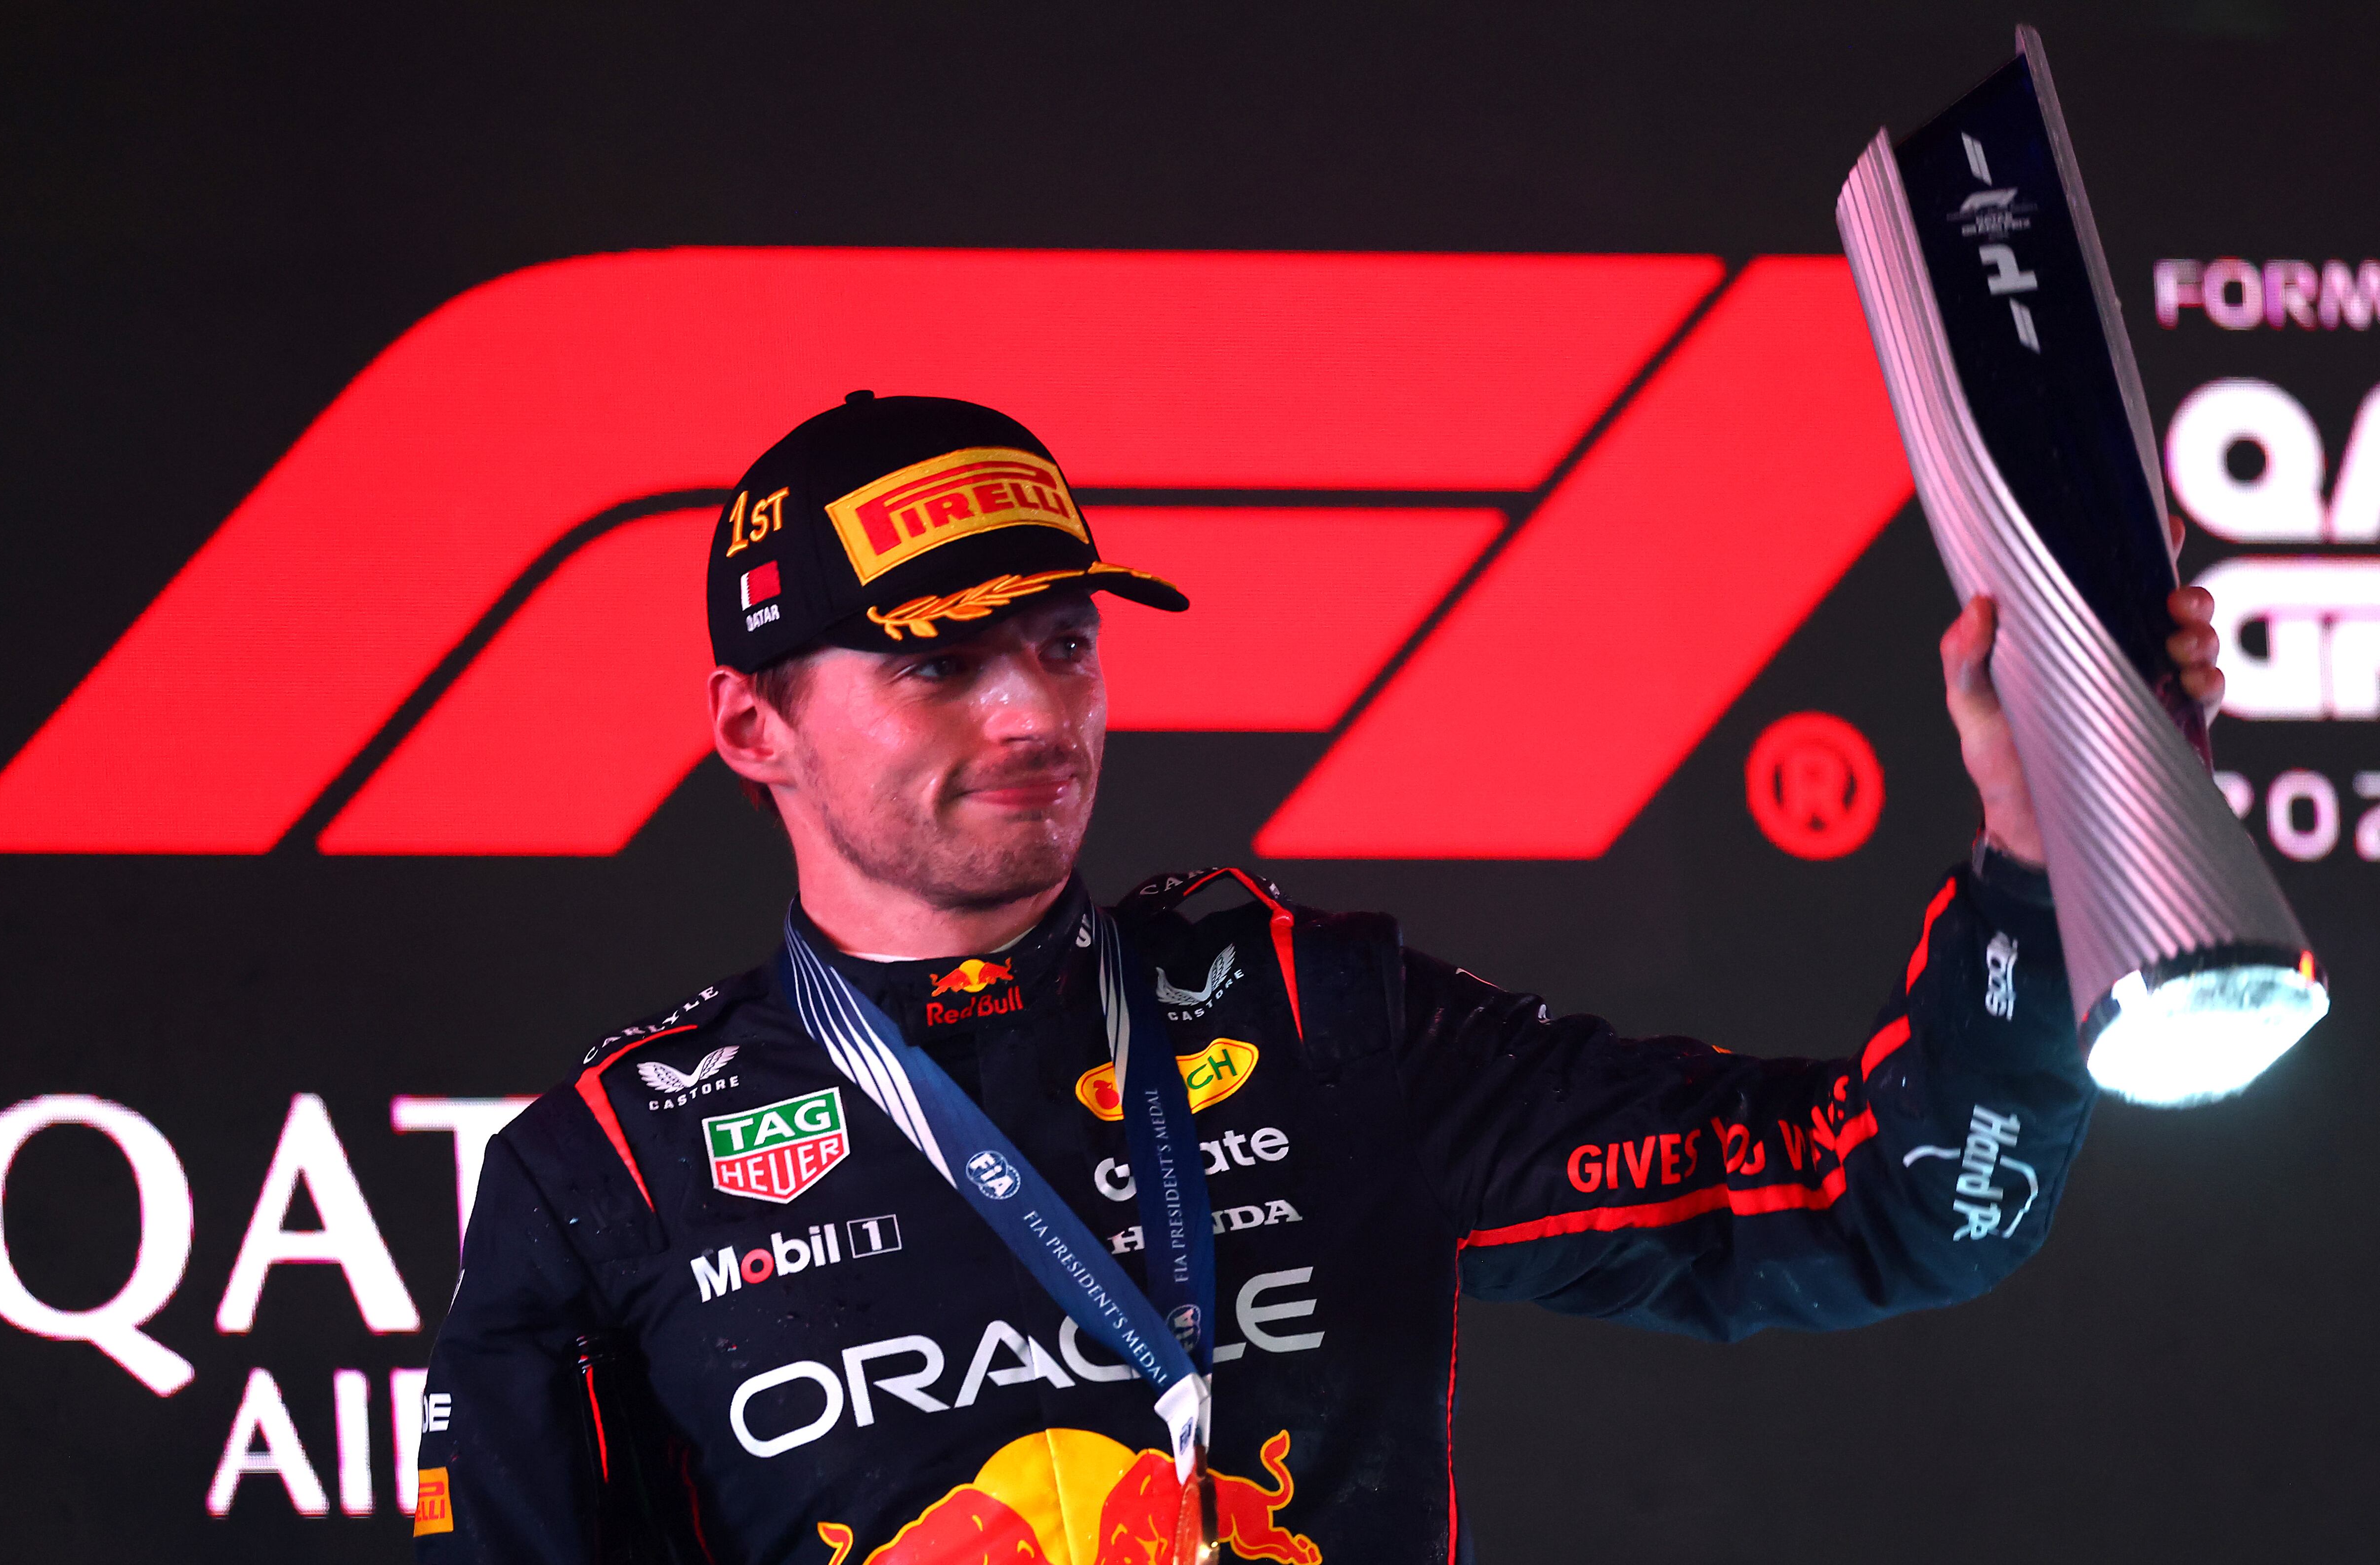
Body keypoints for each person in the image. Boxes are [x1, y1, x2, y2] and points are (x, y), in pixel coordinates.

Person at [415, 392, 2226, 1565]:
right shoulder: (608, 1169)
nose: (1035, 712)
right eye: (942, 665)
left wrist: (2032, 854)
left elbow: (1895, 1207)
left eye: (1064, 643)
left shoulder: (1304, 1018)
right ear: (754, 727)